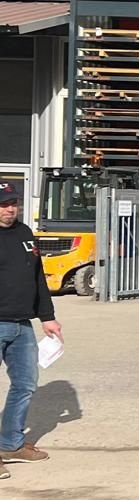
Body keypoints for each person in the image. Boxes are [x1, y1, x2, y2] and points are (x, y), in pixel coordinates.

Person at [0, 182, 63, 481]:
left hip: (22, 325)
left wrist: (47, 317)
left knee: (25, 384)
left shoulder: (25, 234)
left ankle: (10, 444)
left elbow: (37, 277)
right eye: (3, 204)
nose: (10, 208)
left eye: (13, 202)